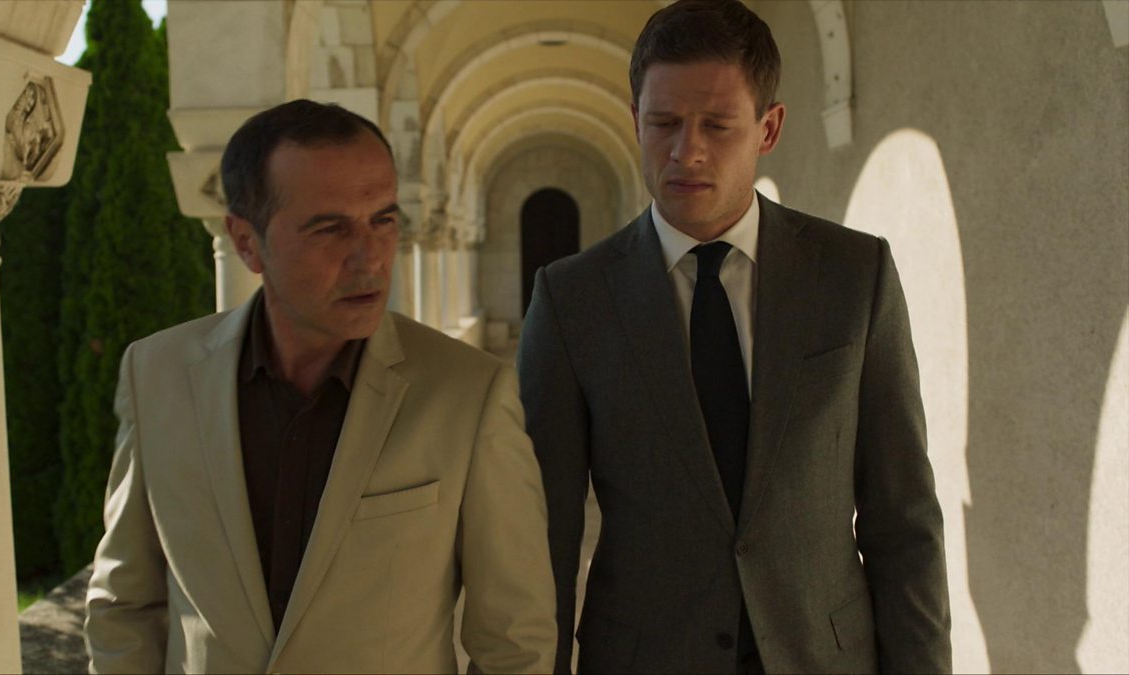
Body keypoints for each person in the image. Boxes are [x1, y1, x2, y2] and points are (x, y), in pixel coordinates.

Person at [517, 1, 951, 673]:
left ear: (768, 128)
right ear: (635, 120)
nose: (685, 150)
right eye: (663, 123)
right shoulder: (571, 300)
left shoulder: (853, 275)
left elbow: (903, 519)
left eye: (717, 125)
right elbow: (543, 536)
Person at [86, 100, 556, 674]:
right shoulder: (156, 375)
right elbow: (125, 605)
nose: (370, 258)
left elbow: (515, 642)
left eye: (384, 220)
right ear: (245, 241)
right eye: (330, 228)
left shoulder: (468, 393)